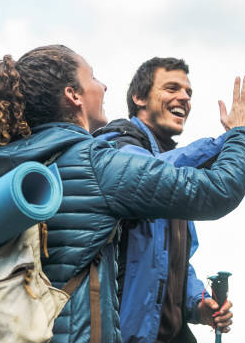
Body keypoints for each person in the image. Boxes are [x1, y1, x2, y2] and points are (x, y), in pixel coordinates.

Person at [0, 44, 245, 343]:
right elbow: (218, 190)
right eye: (92, 77)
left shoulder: (9, 164)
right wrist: (242, 133)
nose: (104, 86)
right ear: (74, 95)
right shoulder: (98, 161)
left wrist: (194, 302)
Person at [93, 57, 233, 342]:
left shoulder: (176, 174)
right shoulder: (117, 143)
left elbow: (176, 261)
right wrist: (227, 142)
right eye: (171, 88)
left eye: (188, 92)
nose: (184, 97)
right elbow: (153, 169)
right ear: (139, 97)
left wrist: (199, 302)